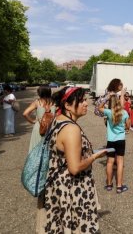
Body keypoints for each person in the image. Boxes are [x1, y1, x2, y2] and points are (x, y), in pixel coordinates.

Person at [42, 86, 107, 233]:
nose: (86, 103)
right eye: (82, 100)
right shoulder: (71, 129)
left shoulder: (57, 120)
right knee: (76, 226)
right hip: (72, 190)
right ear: (67, 105)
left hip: (57, 186)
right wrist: (95, 156)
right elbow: (75, 167)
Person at [97, 92, 131, 193]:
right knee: (120, 163)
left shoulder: (108, 112)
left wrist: (106, 97)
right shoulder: (124, 113)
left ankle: (109, 184)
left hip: (110, 141)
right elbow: (128, 126)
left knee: (109, 162)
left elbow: (99, 107)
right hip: (120, 140)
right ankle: (119, 186)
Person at [23, 86, 55, 152]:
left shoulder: (37, 102)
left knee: (36, 150)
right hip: (51, 128)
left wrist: (33, 121)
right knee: (48, 150)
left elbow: (25, 113)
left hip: (39, 128)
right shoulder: (54, 102)